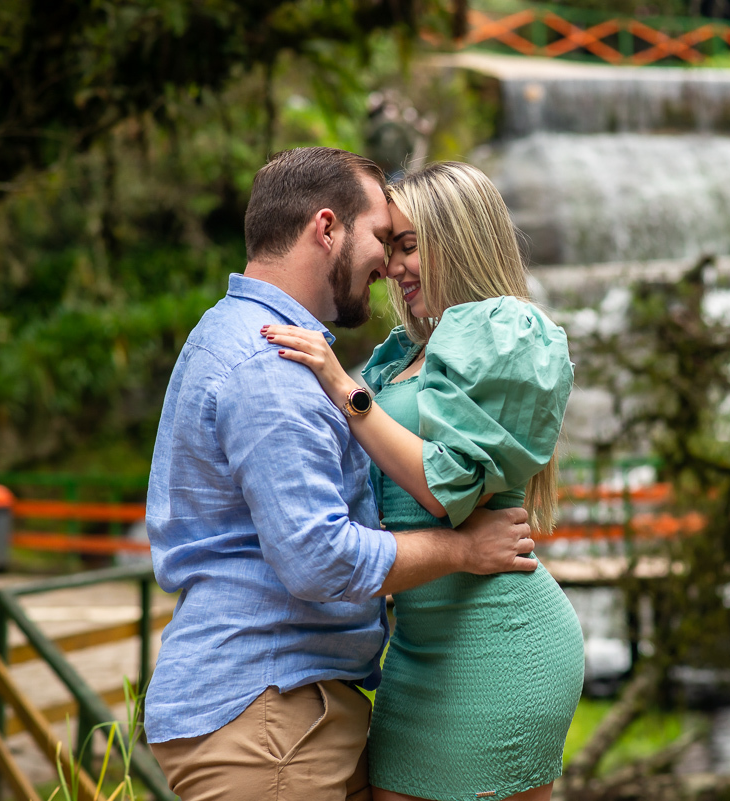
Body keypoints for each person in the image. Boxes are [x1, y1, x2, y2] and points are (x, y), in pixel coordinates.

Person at [145, 148, 539, 801]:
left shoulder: (245, 335)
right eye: (383, 239)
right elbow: (318, 559)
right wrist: (465, 548)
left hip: (293, 714)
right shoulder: (269, 364)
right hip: (271, 720)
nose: (388, 264)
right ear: (327, 229)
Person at [261, 162, 586, 801]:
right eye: (389, 249)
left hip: (498, 640)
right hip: (415, 650)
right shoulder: (404, 353)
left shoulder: (507, 331)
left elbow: (444, 488)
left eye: (410, 246)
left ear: (459, 240)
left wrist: (346, 391)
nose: (393, 267)